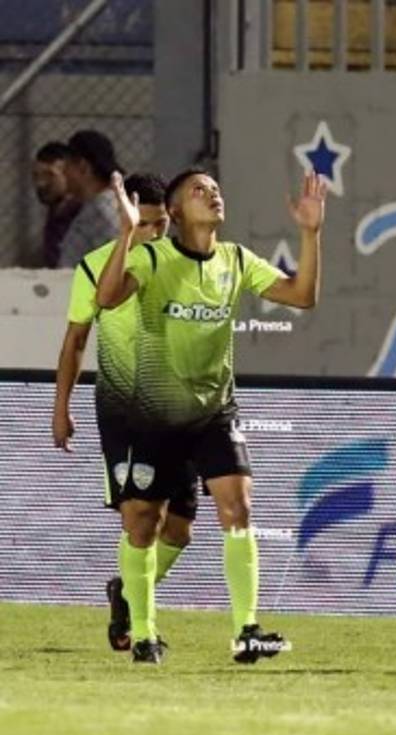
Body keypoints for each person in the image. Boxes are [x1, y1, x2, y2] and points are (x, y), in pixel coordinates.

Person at [93, 167, 328, 665]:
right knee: (144, 525)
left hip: (214, 410)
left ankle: (247, 631)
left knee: (238, 507)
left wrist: (310, 233)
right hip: (153, 413)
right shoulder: (153, 258)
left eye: (216, 189)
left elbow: (302, 296)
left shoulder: (236, 260)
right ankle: (143, 632)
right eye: (199, 190)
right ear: (175, 211)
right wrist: (127, 233)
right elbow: (107, 298)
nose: (213, 194)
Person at [52, 173, 196, 652]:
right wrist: (61, 407)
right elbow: (76, 340)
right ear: (125, 216)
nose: (152, 233)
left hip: (180, 406)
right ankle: (144, 635)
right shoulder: (96, 268)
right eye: (143, 223)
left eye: (160, 224)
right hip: (124, 406)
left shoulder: (184, 262)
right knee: (139, 517)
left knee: (179, 530)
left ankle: (128, 594)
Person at [57, 130, 124, 267]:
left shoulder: (103, 212)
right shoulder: (97, 206)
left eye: (67, 166)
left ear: (83, 167)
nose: (63, 172)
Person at [33, 141, 81, 268]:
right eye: (36, 176)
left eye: (50, 175)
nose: (40, 183)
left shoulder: (83, 214)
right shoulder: (54, 212)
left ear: (69, 173)